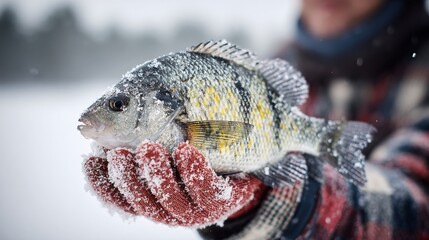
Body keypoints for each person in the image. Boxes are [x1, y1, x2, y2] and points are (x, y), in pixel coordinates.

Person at [83, 0, 429, 239]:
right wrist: (238, 214)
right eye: (119, 105)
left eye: (118, 105)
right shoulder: (274, 64)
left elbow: (418, 208)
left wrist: (272, 200)